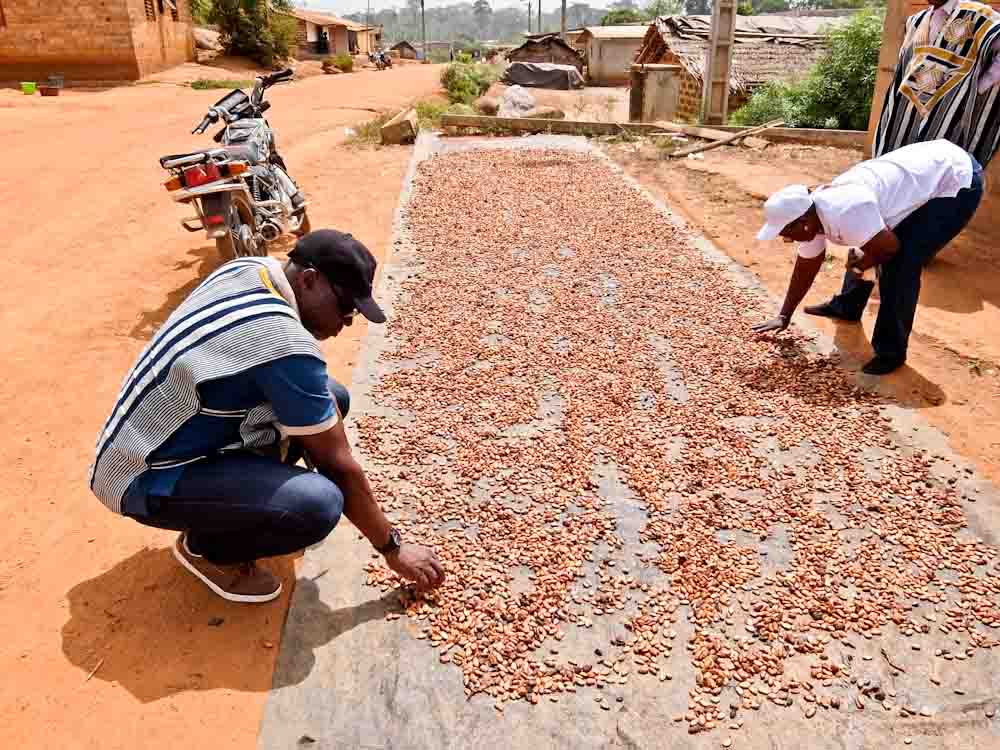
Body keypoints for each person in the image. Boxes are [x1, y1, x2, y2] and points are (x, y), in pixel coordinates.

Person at [89, 230, 445, 603]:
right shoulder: (284, 341)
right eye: (345, 307)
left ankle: (245, 504)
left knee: (331, 399)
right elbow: (338, 466)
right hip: (139, 474)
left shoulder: (251, 268)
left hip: (142, 437)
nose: (348, 321)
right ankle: (207, 548)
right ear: (308, 281)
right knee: (317, 504)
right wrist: (393, 547)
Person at [752, 139, 984, 376]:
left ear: (802, 222)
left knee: (900, 264)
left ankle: (891, 352)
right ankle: (847, 306)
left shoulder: (845, 211)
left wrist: (861, 265)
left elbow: (888, 249)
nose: (786, 239)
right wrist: (784, 315)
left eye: (787, 234)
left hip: (956, 180)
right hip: (928, 166)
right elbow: (805, 266)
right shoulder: (811, 217)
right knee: (865, 244)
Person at [875, 0, 1000, 166]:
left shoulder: (980, 16)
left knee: (936, 175)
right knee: (900, 172)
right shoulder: (916, 21)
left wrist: (978, 88)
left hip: (949, 119)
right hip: (905, 114)